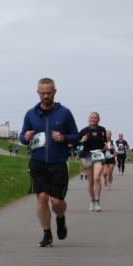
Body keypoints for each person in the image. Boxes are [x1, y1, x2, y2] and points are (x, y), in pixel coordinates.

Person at [19, 78, 79, 247]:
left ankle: (61, 218)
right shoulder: (31, 114)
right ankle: (47, 234)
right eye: (42, 93)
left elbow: (76, 136)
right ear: (38, 92)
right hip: (37, 162)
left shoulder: (64, 113)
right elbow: (22, 137)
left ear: (54, 92)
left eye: (49, 92)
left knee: (57, 202)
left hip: (58, 162)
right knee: (42, 197)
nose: (45, 96)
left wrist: (64, 137)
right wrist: (26, 137)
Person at [78, 113, 110, 211]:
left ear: (98, 120)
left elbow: (106, 142)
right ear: (89, 119)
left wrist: (107, 145)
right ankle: (92, 201)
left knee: (97, 178)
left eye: (95, 118)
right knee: (90, 181)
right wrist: (82, 140)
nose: (93, 119)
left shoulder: (102, 129)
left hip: (99, 155)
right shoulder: (84, 130)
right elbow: (77, 143)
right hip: (87, 155)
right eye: (91, 118)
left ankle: (97, 202)